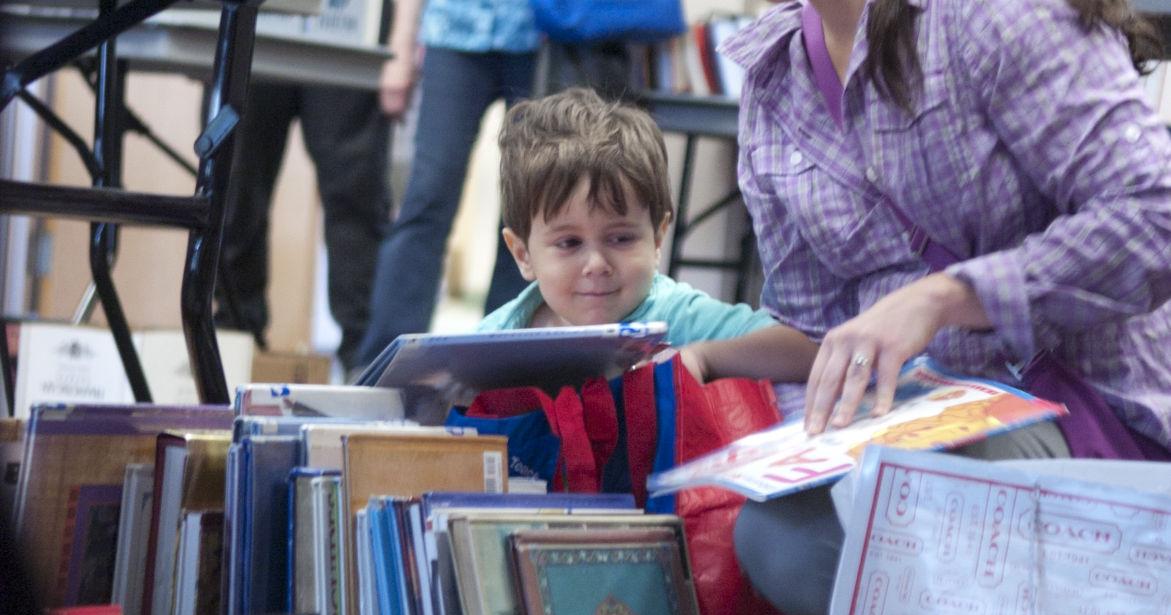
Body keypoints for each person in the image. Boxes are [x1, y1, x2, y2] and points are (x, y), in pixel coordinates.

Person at [722, 0, 1171, 612]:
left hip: (1079, 406)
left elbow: (1154, 216)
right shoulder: (774, 79)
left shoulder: (995, 16)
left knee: (946, 498)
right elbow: (818, 329)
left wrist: (950, 297)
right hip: (910, 428)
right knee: (779, 534)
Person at [479, 88, 820, 383]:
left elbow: (806, 350)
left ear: (657, 239)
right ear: (523, 254)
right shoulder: (494, 341)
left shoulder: (676, 317)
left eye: (621, 239)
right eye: (569, 243)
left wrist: (704, 357)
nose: (596, 264)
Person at [215, 0, 422, 373]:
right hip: (254, 23)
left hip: (350, 21)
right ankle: (230, 347)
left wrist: (401, 44)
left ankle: (366, 365)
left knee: (355, 200)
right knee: (233, 195)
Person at [354, 0, 545, 372]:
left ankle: (505, 368)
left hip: (545, 31)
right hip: (453, 30)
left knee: (529, 209)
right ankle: (385, 367)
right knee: (428, 197)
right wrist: (401, 49)